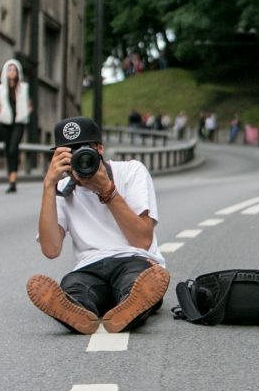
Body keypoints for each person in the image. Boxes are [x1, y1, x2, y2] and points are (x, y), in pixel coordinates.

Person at [26, 116, 170, 335]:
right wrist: (48, 185)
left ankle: (132, 304)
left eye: (83, 151)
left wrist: (107, 190)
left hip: (134, 260)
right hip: (89, 268)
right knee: (73, 286)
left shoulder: (131, 171)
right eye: (68, 153)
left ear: (99, 149)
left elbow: (142, 240)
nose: (78, 160)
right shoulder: (62, 188)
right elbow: (51, 249)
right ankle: (80, 312)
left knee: (135, 283)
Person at [0, 58, 32, 193]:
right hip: (5, 123)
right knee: (9, 151)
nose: (12, 72)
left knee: (13, 149)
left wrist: (25, 112)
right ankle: (12, 181)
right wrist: (0, 109)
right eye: (9, 69)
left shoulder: (24, 88)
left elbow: (30, 106)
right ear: (5, 72)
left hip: (19, 122)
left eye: (14, 69)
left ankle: (13, 179)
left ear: (18, 72)